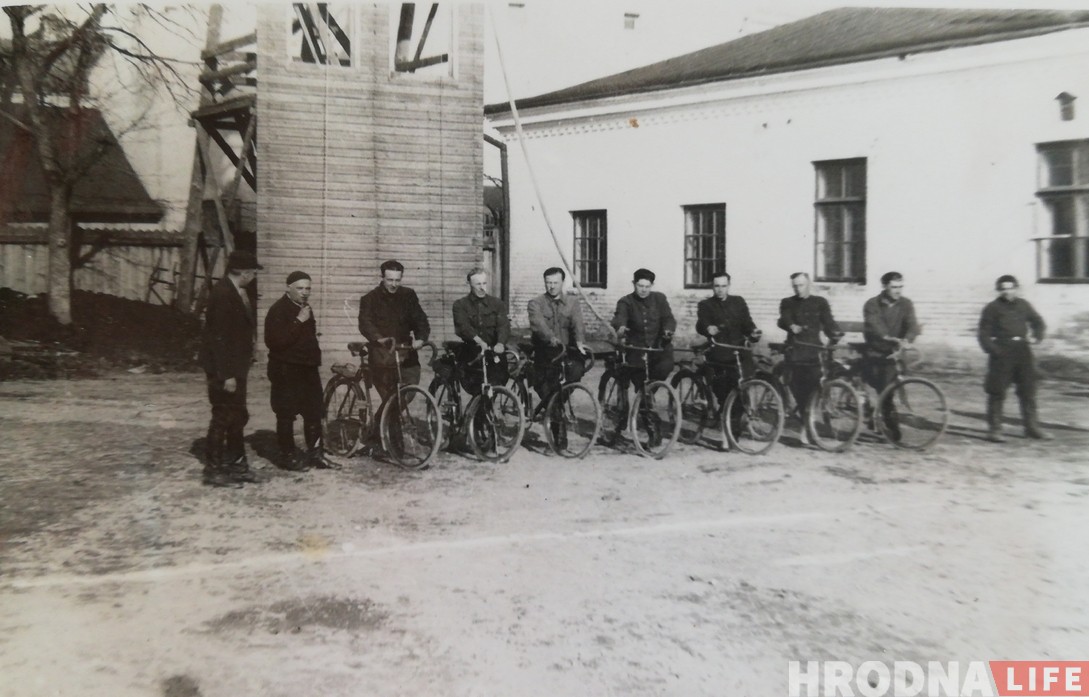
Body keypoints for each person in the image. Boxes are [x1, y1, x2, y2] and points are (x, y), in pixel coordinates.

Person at [198, 250, 262, 488]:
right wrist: (227, 376)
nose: (254, 276)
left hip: (235, 367)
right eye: (253, 272)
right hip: (225, 370)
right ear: (244, 273)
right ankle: (213, 471)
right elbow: (219, 339)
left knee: (237, 416)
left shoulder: (235, 291)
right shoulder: (224, 294)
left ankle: (237, 465)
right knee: (223, 417)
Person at [264, 270, 336, 472]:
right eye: (300, 288)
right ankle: (287, 457)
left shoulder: (305, 308)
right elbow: (274, 342)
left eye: (308, 288)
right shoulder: (278, 310)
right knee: (286, 414)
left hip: (307, 369)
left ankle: (315, 455)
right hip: (286, 369)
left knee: (314, 412)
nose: (305, 293)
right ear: (288, 288)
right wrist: (298, 322)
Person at [358, 260, 431, 452]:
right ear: (382, 277)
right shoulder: (370, 299)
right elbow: (365, 323)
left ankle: (375, 431)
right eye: (389, 279)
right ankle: (394, 445)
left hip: (407, 355)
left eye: (397, 280)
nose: (393, 284)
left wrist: (421, 338)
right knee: (392, 398)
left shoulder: (408, 296)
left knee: (408, 393)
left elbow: (420, 319)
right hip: (383, 358)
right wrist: (379, 339)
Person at [978, 274, 1050, 442]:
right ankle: (995, 430)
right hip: (1002, 352)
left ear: (1016, 289)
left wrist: (1036, 337)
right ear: (998, 290)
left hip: (1023, 351)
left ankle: (1032, 428)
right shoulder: (992, 308)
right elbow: (983, 334)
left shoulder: (1024, 305)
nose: (1007, 292)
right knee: (997, 391)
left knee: (1028, 391)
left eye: (1010, 288)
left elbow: (1038, 322)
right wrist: (995, 351)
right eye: (1003, 289)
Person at [610, 268, 676, 445]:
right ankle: (653, 432)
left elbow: (669, 318)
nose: (644, 290)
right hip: (636, 352)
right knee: (643, 386)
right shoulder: (626, 302)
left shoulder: (660, 299)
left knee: (662, 370)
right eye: (640, 286)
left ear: (652, 286)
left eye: (647, 286)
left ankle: (644, 400)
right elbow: (619, 319)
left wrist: (668, 331)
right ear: (634, 284)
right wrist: (621, 328)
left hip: (658, 351)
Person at [527, 267, 591, 448]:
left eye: (555, 282)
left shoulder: (572, 302)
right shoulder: (536, 303)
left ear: (562, 282)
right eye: (548, 282)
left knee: (576, 371)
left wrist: (579, 342)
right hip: (544, 353)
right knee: (545, 385)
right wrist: (551, 338)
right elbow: (538, 325)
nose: (552, 286)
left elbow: (578, 323)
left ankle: (555, 405)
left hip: (566, 352)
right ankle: (558, 426)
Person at [777, 272, 842, 435]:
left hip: (814, 352)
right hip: (795, 352)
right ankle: (806, 424)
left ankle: (809, 423)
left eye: (802, 285)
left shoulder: (820, 302)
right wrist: (791, 326)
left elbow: (829, 322)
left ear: (809, 284)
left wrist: (835, 333)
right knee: (800, 390)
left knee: (814, 387)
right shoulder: (787, 302)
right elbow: (784, 318)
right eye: (795, 286)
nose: (798, 289)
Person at [861, 271, 920, 441]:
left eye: (900, 287)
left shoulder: (906, 304)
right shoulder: (872, 304)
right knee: (883, 389)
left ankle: (886, 422)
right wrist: (888, 337)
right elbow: (874, 325)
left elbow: (912, 325)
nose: (898, 291)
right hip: (874, 352)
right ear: (884, 286)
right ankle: (878, 417)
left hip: (893, 354)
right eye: (894, 287)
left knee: (887, 390)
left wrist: (908, 339)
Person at [695, 271, 762, 403]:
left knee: (747, 380)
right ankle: (728, 412)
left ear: (729, 285)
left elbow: (747, 323)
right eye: (717, 286)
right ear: (712, 287)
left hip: (740, 349)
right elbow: (702, 323)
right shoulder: (705, 305)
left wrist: (753, 332)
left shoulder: (738, 301)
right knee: (724, 387)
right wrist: (709, 329)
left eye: (723, 286)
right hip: (720, 351)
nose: (720, 290)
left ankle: (742, 410)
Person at [451, 268, 511, 393]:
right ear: (470, 284)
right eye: (478, 284)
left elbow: (503, 325)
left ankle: (482, 411)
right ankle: (477, 411)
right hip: (472, 356)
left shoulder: (497, 304)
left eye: (484, 283)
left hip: (493, 354)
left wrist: (500, 343)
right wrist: (478, 340)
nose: (482, 287)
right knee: (477, 390)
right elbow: (463, 327)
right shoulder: (460, 305)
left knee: (495, 387)